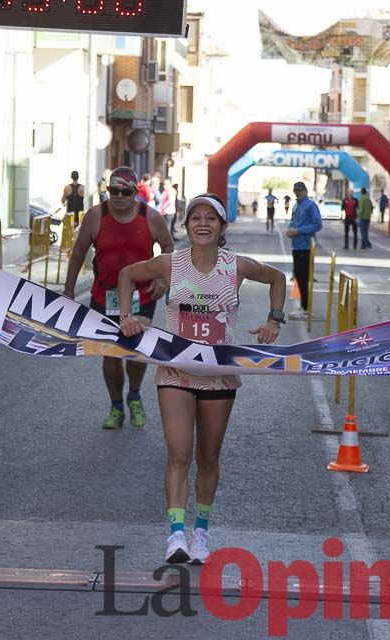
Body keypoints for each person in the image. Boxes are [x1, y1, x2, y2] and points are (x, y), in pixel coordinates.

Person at [117, 194, 286, 564]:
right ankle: (175, 534)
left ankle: (201, 534)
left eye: (211, 218)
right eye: (196, 218)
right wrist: (126, 316)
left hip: (219, 377)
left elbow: (277, 278)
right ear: (187, 225)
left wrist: (274, 320)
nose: (203, 223)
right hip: (174, 371)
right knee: (179, 454)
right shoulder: (169, 264)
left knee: (208, 457)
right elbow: (127, 274)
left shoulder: (236, 266)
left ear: (222, 228)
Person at [64, 167, 174, 429]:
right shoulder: (96, 215)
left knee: (136, 349)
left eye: (126, 192)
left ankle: (134, 395)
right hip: (105, 293)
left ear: (135, 193)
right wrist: (68, 292)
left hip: (142, 294)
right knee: (110, 353)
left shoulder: (151, 217)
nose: (120, 196)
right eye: (114, 191)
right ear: (108, 191)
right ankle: (116, 407)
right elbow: (78, 252)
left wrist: (161, 278)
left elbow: (169, 247)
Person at [287, 181, 322, 320]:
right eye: (296, 190)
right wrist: (290, 229)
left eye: (300, 190)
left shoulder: (310, 205)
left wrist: (299, 231)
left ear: (305, 191)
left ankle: (306, 309)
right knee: (299, 277)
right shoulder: (296, 205)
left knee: (303, 278)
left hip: (306, 247)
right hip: (296, 246)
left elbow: (317, 224)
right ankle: (304, 307)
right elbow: (293, 222)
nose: (297, 192)